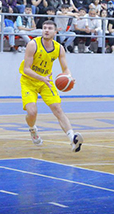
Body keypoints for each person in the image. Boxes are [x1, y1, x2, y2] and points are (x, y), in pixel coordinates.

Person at [19, 20, 83, 152]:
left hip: (46, 82)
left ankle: (73, 139)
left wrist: (69, 77)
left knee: (57, 109)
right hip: (29, 81)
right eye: (44, 28)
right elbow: (26, 69)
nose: (46, 30)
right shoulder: (33, 44)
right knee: (32, 112)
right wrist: (42, 78)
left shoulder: (59, 48)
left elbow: (65, 68)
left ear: (55, 32)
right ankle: (32, 129)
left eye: (49, 28)